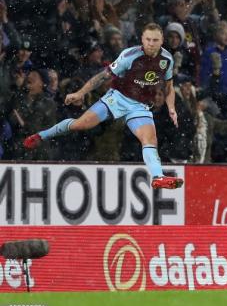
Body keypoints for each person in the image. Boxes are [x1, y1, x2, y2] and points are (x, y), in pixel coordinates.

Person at [22, 23, 183, 189]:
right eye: (147, 39)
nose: (150, 43)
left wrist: (171, 107)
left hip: (139, 106)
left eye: (155, 40)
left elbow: (169, 87)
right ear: (142, 39)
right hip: (118, 98)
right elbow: (102, 76)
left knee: (150, 139)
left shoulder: (167, 60)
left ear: (162, 40)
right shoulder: (129, 55)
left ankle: (158, 177)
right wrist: (80, 93)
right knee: (81, 124)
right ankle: (41, 135)